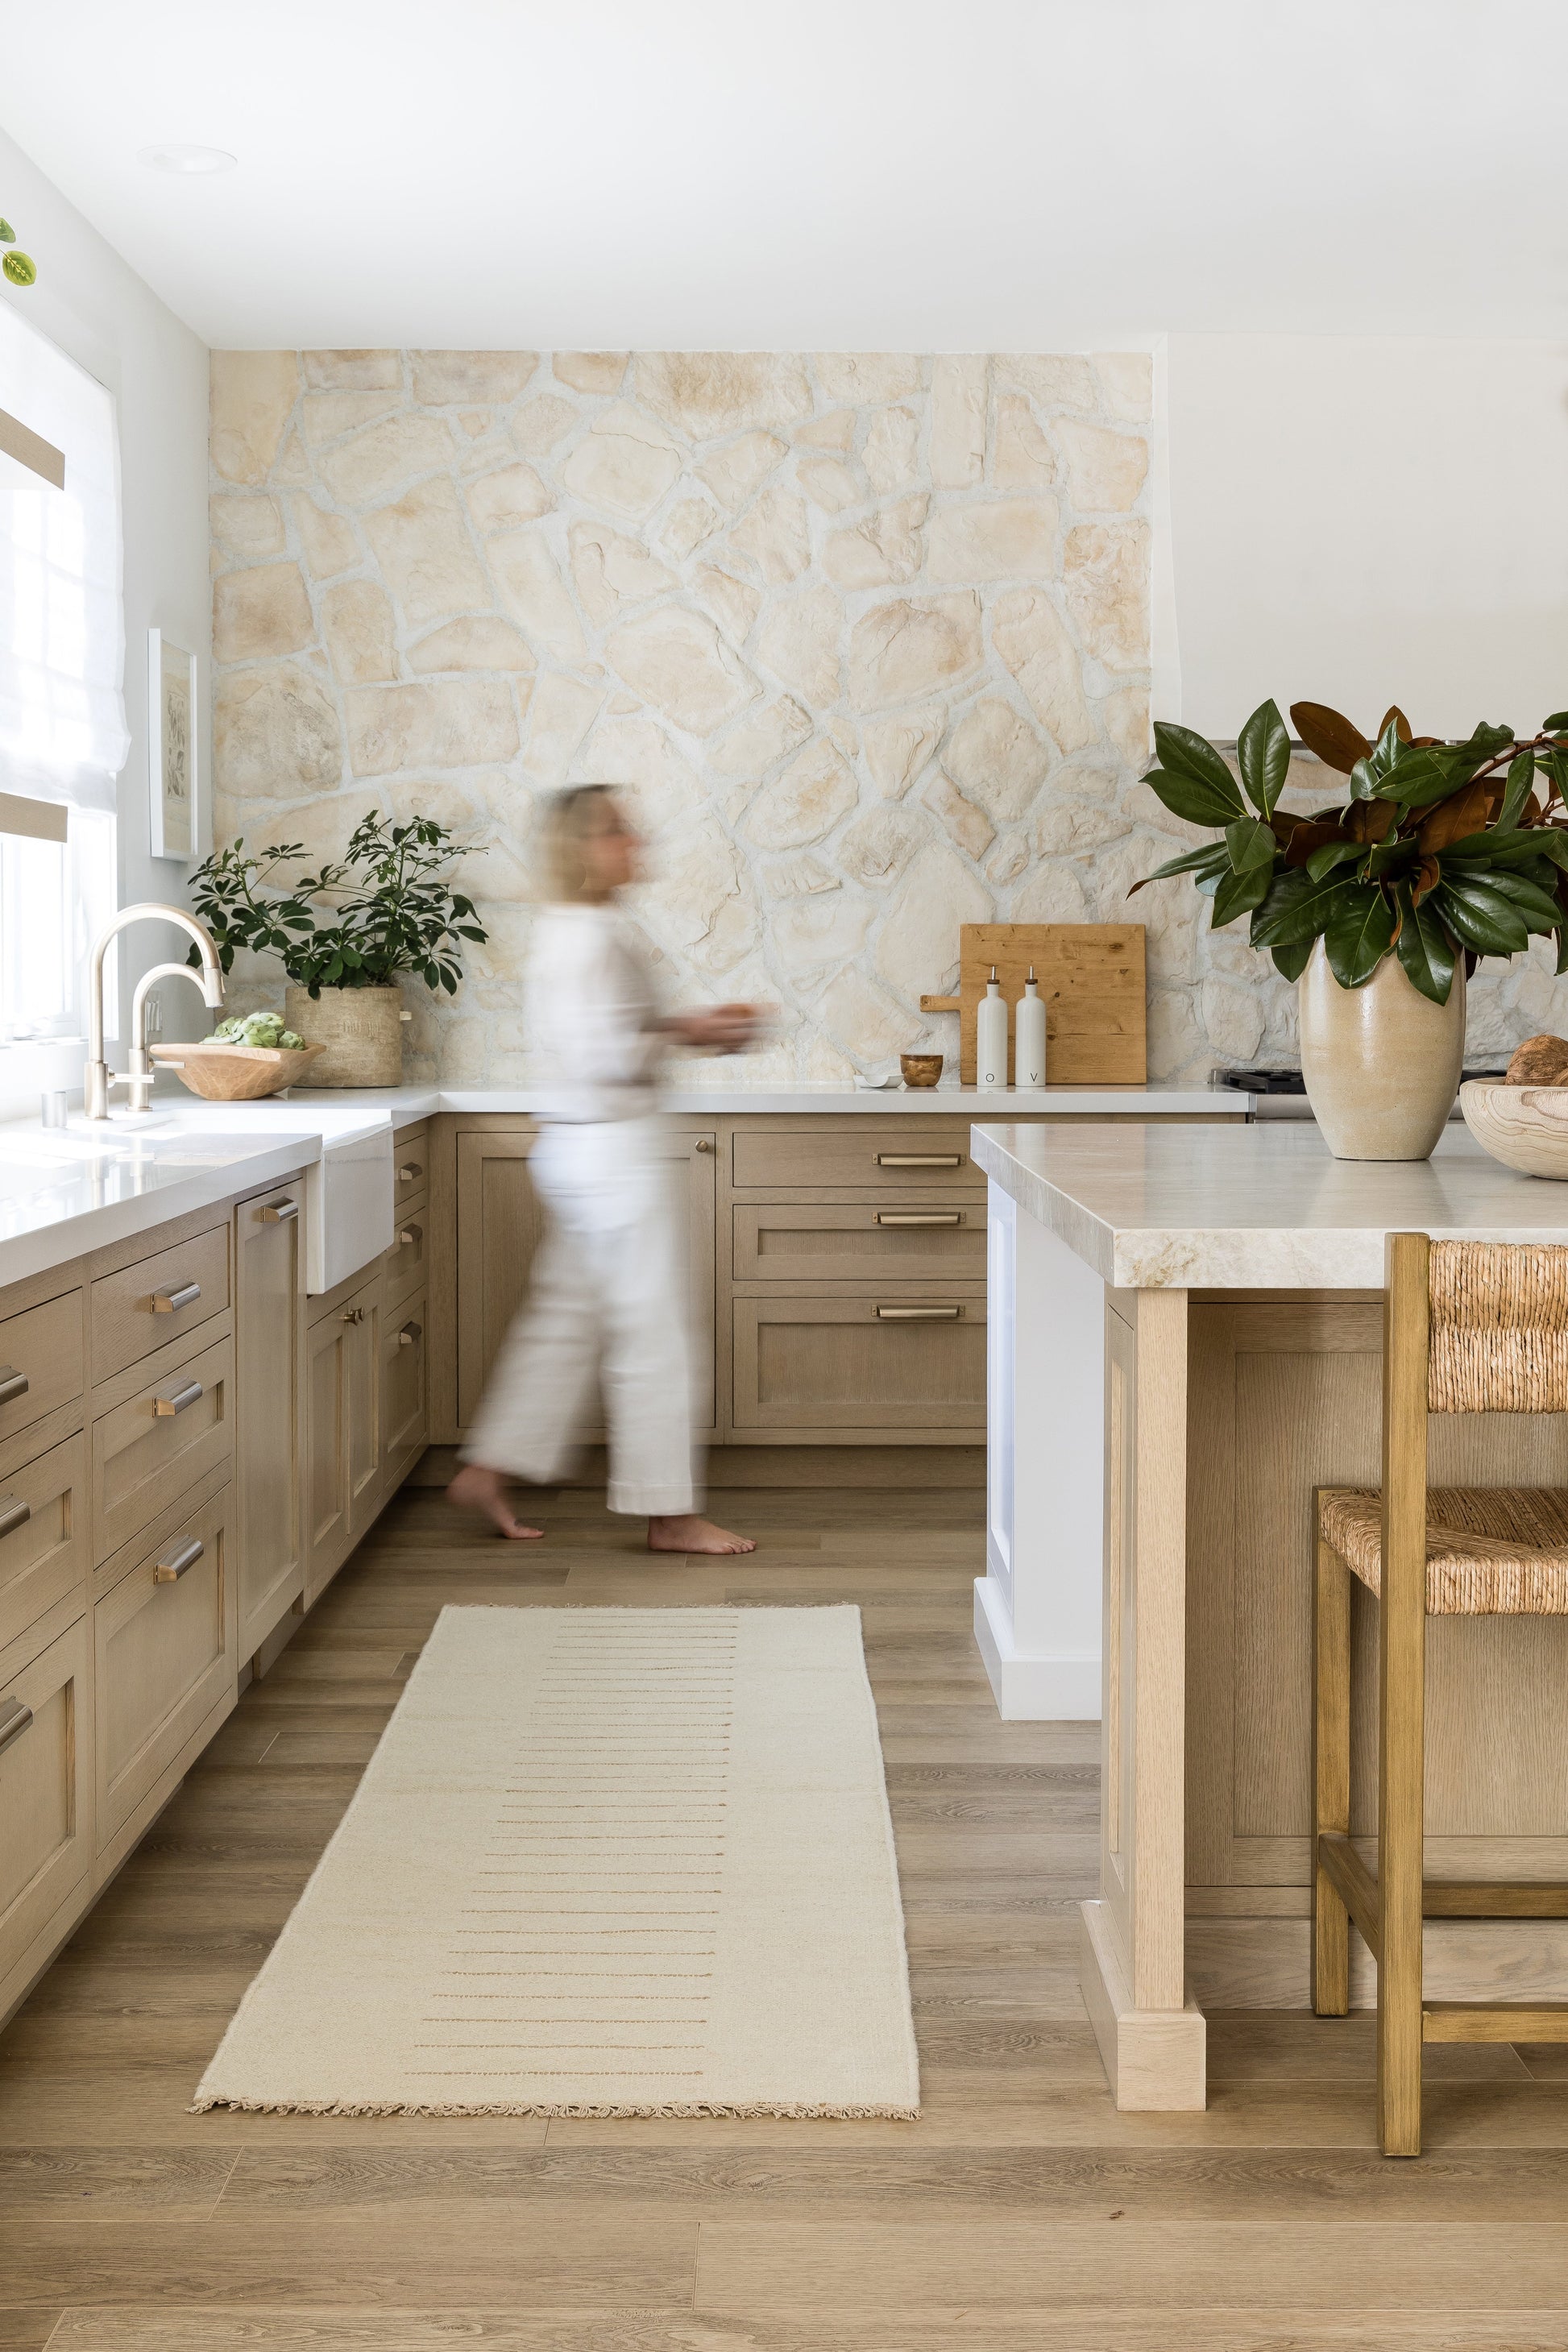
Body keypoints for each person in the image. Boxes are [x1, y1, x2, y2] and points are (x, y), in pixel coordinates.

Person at [447, 784, 765, 1554]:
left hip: (574, 1150)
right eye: (618, 830)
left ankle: (489, 1467)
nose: (636, 839)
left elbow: (604, 1042)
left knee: (567, 1321)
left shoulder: (572, 928)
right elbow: (606, 1057)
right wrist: (694, 1028)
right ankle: (671, 1514)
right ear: (580, 849)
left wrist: (677, 1029)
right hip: (613, 1156)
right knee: (654, 1332)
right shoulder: (592, 938)